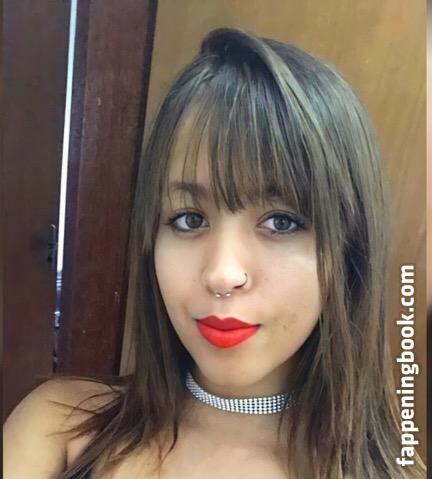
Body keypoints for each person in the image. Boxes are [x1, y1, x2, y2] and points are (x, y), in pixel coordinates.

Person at [4, 27, 426, 479]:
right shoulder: (60, 428)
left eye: (282, 222)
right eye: (189, 219)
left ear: (349, 252)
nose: (222, 274)